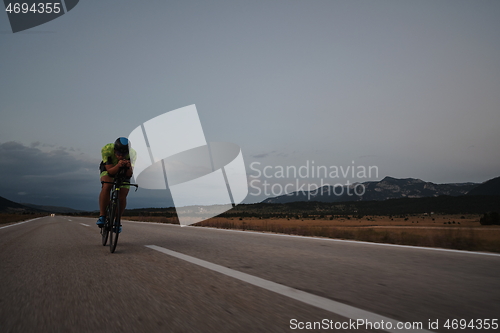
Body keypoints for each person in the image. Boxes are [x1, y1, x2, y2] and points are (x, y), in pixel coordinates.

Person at [96, 137, 135, 232]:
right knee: (107, 185)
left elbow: (129, 174)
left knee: (123, 194)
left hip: (124, 171)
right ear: (114, 150)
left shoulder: (133, 154)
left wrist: (128, 167)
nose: (121, 156)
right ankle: (102, 216)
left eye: (124, 154)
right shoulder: (106, 149)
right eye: (118, 153)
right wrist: (118, 165)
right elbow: (110, 171)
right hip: (109, 168)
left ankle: (117, 220)